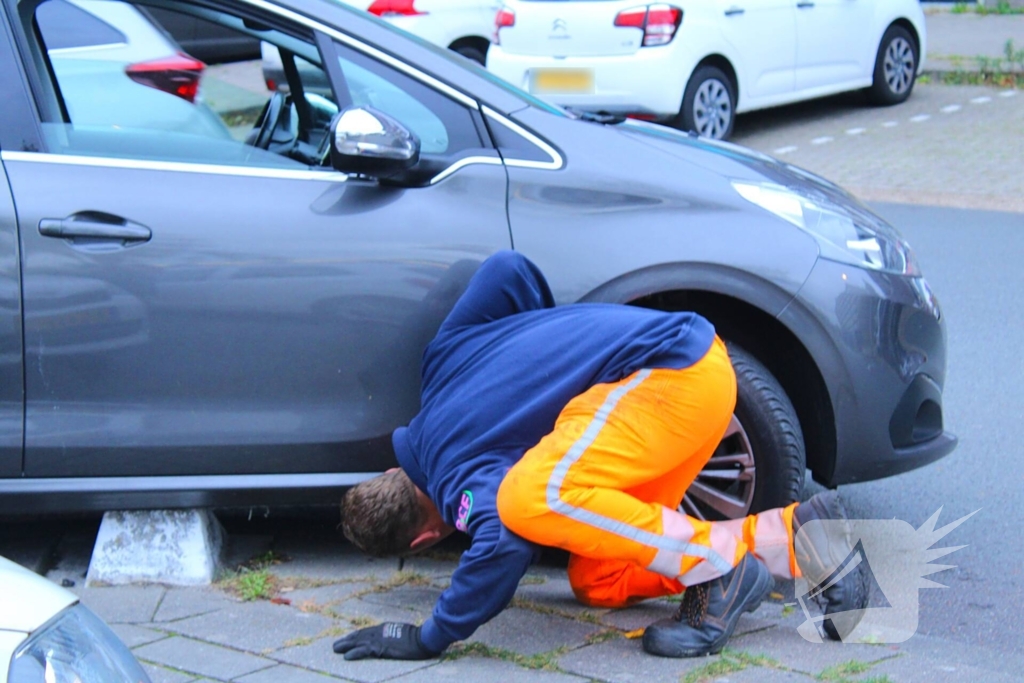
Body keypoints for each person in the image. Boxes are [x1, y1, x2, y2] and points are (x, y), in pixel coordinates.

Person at [335, 251, 865, 661]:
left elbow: (503, 542)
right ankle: (801, 538)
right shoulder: (442, 365)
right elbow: (506, 270)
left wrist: (431, 636)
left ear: (427, 537)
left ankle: (716, 567)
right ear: (391, 470)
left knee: (530, 498)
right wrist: (544, 358)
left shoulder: (460, 488)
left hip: (665, 376)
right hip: (690, 381)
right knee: (599, 580)